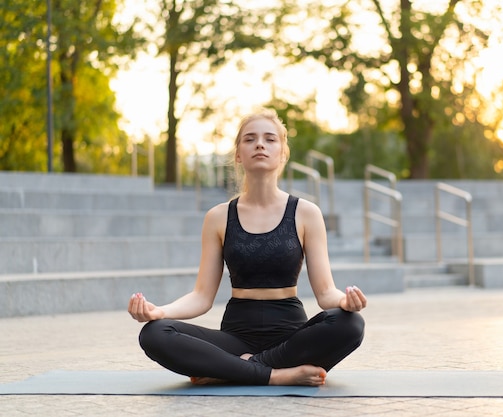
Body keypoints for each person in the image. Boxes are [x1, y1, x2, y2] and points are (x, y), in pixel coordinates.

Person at [128, 108, 366, 386]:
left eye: (270, 139)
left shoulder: (306, 213)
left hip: (291, 337)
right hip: (235, 335)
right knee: (154, 334)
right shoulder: (218, 217)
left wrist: (344, 302)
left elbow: (325, 292)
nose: (260, 144)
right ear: (239, 154)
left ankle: (234, 369)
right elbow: (202, 297)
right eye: (250, 139)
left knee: (351, 324)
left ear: (283, 152)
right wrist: (160, 312)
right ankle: (275, 375)